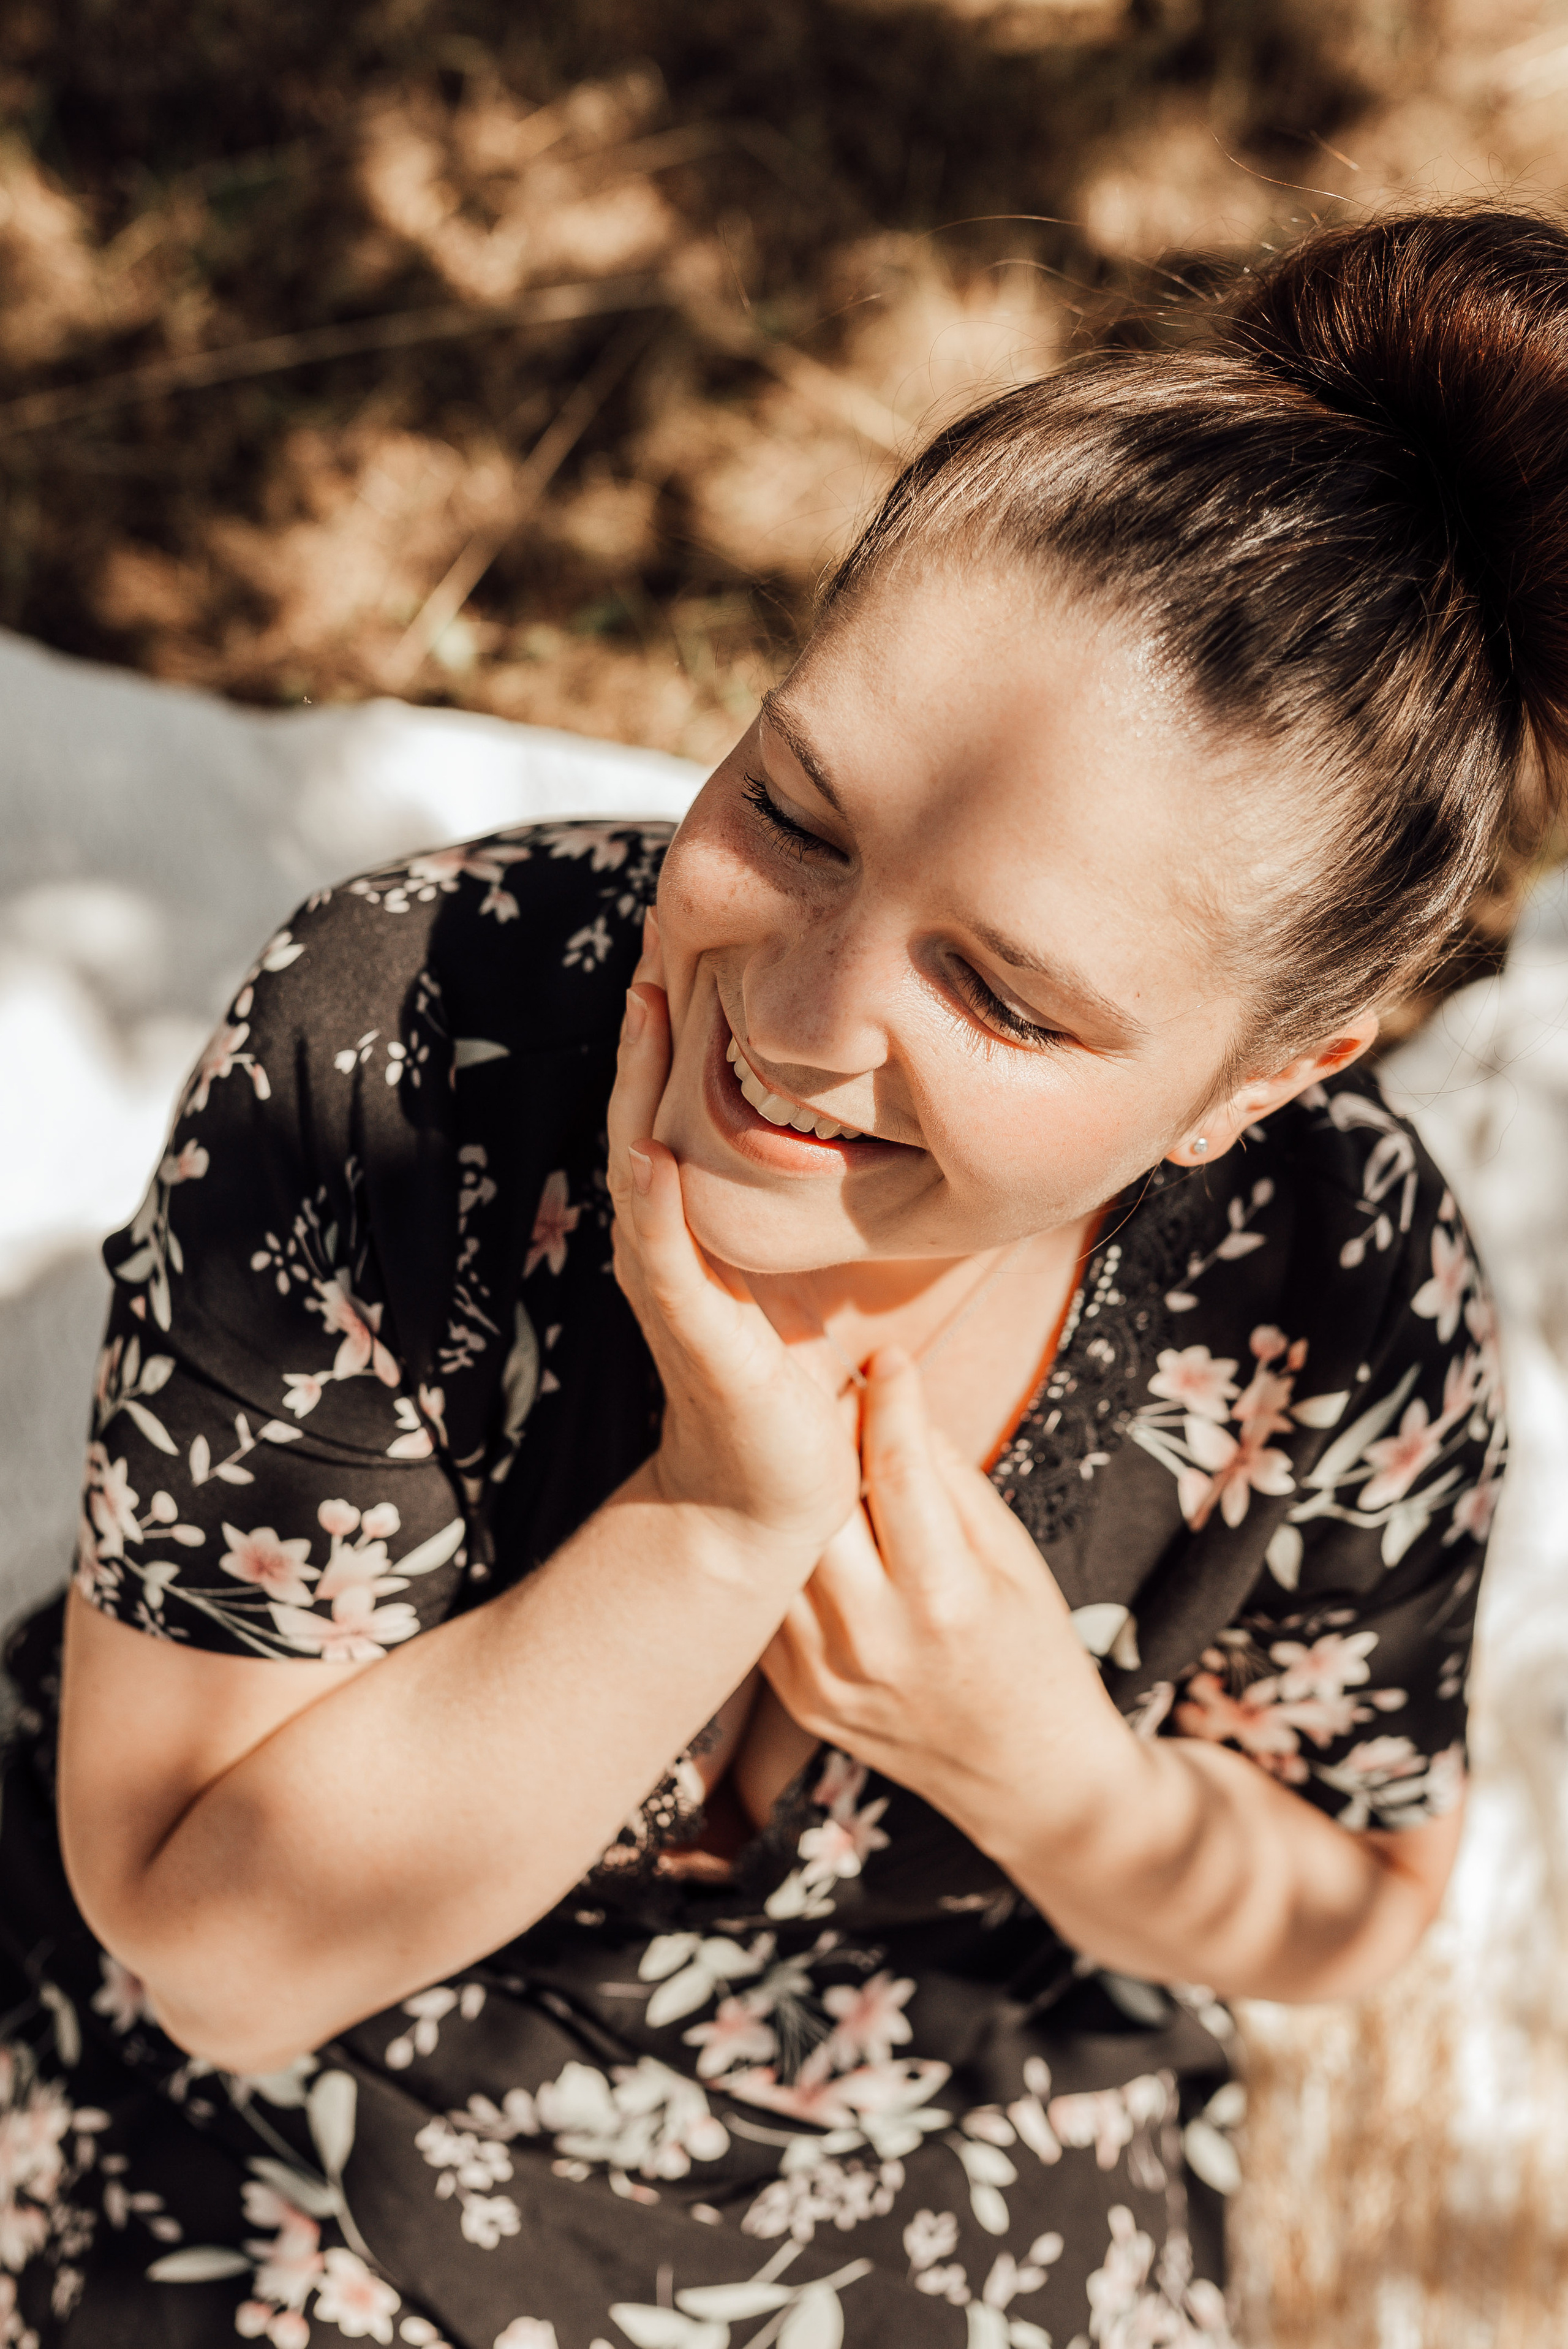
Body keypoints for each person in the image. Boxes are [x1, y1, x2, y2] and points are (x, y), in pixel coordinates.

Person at [0, 206, 1542, 2349]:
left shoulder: (1334, 1285)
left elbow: (1352, 1902)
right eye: (797, 811)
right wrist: (716, 1524)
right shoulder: (396, 1050)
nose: (795, 1017)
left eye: (1004, 995)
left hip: (943, 2137)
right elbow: (219, 1948)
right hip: (304, 2113)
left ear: (1264, 1076)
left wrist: (1037, 1758)